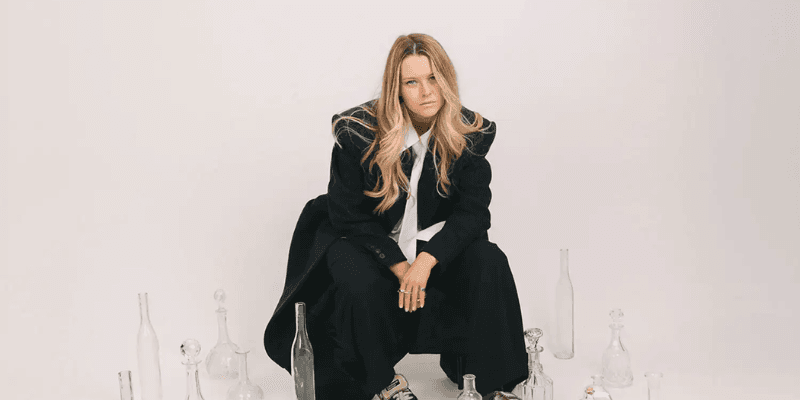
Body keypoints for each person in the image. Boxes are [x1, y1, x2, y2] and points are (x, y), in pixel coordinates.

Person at [264, 33, 527, 400]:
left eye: (434, 78)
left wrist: (426, 261)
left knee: (488, 259)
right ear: (397, 89)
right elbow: (348, 214)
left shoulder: (469, 132)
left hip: (431, 242)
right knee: (353, 271)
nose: (427, 92)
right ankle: (381, 383)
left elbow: (473, 213)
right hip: (368, 239)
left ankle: (490, 385)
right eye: (412, 82)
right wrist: (401, 268)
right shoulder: (357, 132)